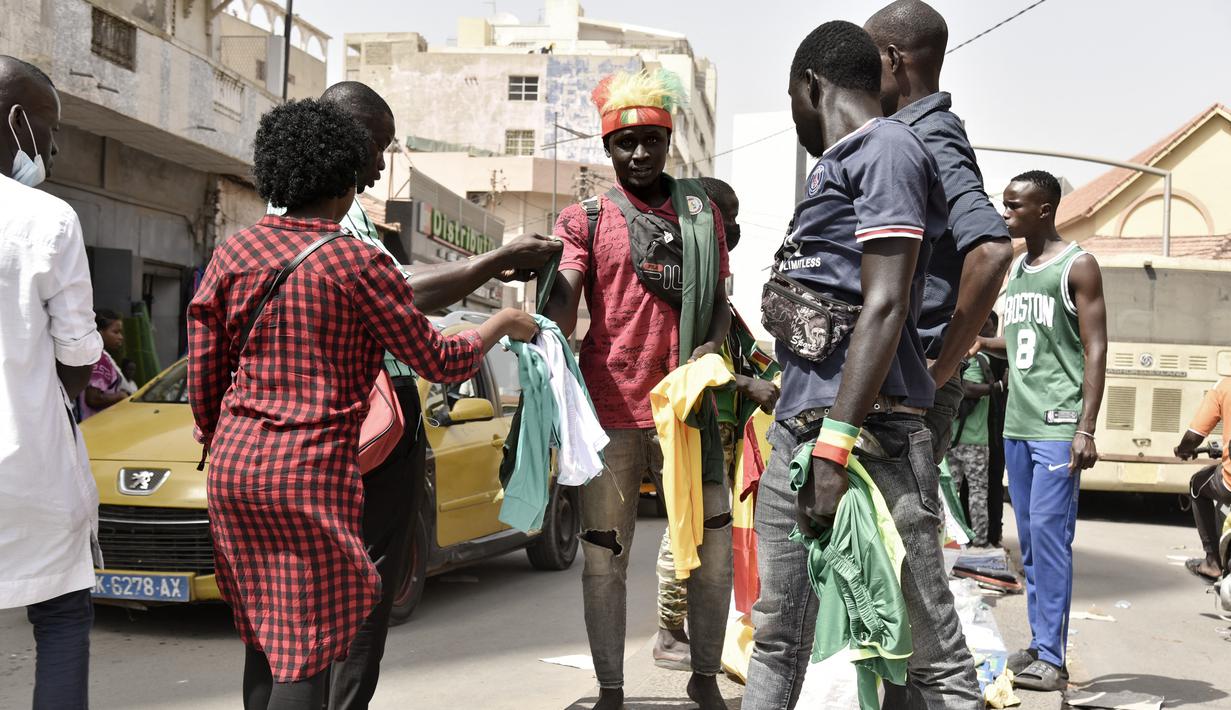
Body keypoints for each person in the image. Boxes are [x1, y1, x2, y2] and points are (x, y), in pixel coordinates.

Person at [187, 99, 539, 710]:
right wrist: (502, 323)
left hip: (235, 468)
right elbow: (440, 359)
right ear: (347, 178)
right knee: (307, 644)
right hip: (310, 471)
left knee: (262, 632)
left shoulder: (233, 252)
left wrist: (227, 437)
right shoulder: (357, 262)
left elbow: (205, 380)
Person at [743, 21, 982, 709]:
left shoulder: (886, 149)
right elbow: (829, 320)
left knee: (931, 651)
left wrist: (832, 449)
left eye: (791, 100)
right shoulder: (837, 166)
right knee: (776, 637)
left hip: (864, 439)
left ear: (809, 87)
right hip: (801, 434)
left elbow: (883, 304)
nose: (794, 117)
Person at [308, 81, 562, 710]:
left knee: (307, 618)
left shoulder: (290, 229)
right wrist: (497, 309)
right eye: (377, 147)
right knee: (360, 600)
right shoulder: (331, 221)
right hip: (367, 428)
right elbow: (410, 313)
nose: (380, 164)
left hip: (322, 433)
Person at [542, 69, 734, 710]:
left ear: (668, 140)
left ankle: (704, 677)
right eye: (627, 143)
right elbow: (564, 304)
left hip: (691, 410)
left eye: (652, 140)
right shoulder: (585, 219)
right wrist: (549, 292)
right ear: (608, 149)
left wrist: (706, 354)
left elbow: (717, 303)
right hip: (612, 410)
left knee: (709, 553)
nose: (641, 153)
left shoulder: (701, 212)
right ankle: (611, 690)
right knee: (604, 558)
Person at [864, 0, 1012, 464]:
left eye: (869, 65)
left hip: (910, 383)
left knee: (898, 533)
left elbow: (991, 249)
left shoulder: (931, 136)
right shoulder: (905, 134)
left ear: (892, 60)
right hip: (897, 377)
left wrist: (938, 370)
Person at [0, 55, 104, 710]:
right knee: (62, 614)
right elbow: (78, 350)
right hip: (28, 470)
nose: (56, 146)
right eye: (49, 127)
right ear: (16, 122)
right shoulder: (47, 218)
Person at [977, 169, 1107, 693]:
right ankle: (1039, 642)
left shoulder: (1079, 265)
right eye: (1005, 205)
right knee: (1028, 544)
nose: (1006, 213)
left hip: (1057, 428)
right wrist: (980, 345)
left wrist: (1087, 427)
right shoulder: (1019, 269)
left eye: (1014, 206)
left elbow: (1096, 347)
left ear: (1045, 209)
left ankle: (1053, 657)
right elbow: (1022, 341)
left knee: (1052, 543)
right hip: (1016, 423)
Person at [652, 177, 780, 671]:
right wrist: (746, 385)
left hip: (721, 428)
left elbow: (741, 352)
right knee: (682, 529)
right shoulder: (682, 282)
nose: (736, 227)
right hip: (695, 423)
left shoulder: (715, 291)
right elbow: (692, 363)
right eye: (727, 214)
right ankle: (669, 632)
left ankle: (692, 629)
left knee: (706, 530)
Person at [948, 314, 1003, 547]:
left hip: (953, 439)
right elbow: (968, 387)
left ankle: (953, 540)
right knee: (976, 495)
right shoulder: (980, 360)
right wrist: (998, 386)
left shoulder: (957, 356)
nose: (990, 335)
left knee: (952, 494)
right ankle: (977, 543)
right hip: (975, 441)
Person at [1173, 377, 1231, 580]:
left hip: (1228, 483)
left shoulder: (1224, 387)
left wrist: (1183, 450)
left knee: (1197, 485)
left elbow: (1194, 436)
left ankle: (1212, 562)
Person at [77, 308, 137, 420]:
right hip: (95, 424)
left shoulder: (93, 354)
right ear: (100, 332)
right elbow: (93, 399)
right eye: (115, 332)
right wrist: (121, 396)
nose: (121, 337)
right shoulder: (99, 359)